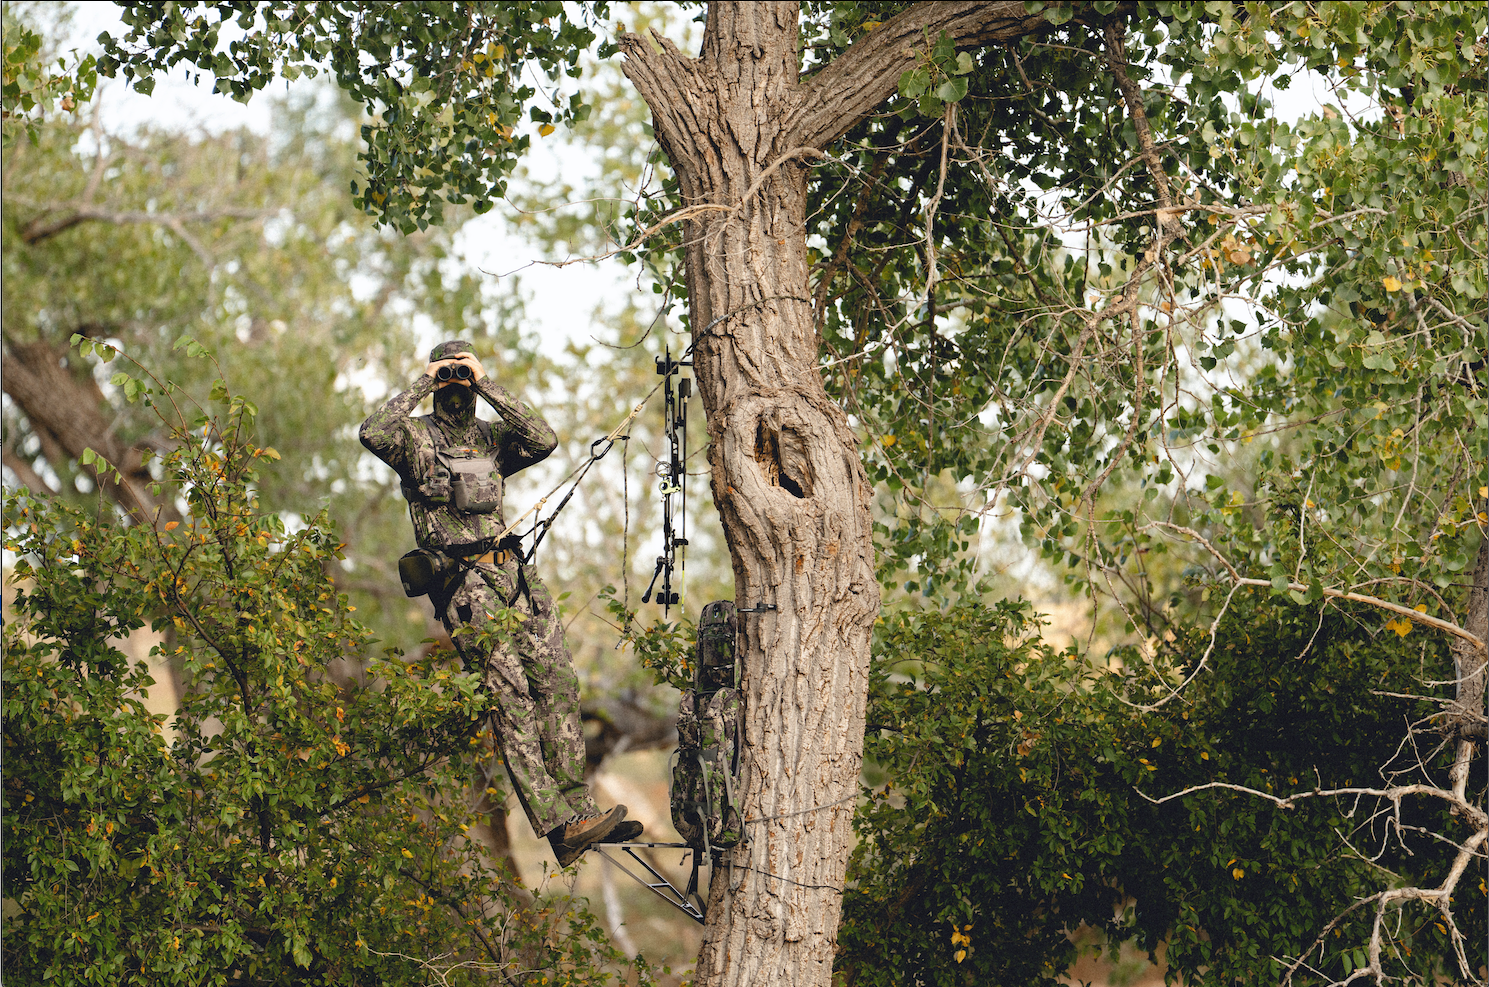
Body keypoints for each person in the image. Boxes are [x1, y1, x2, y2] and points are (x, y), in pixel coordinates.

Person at [361, 340, 641, 866]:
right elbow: (371, 433)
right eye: (449, 375)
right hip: (464, 584)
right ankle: (558, 826)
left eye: (461, 373)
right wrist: (425, 380)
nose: (456, 383)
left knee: (557, 685)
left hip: (515, 574)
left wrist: (486, 382)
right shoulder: (413, 439)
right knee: (511, 699)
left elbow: (543, 439)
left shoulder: (492, 438)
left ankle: (581, 813)